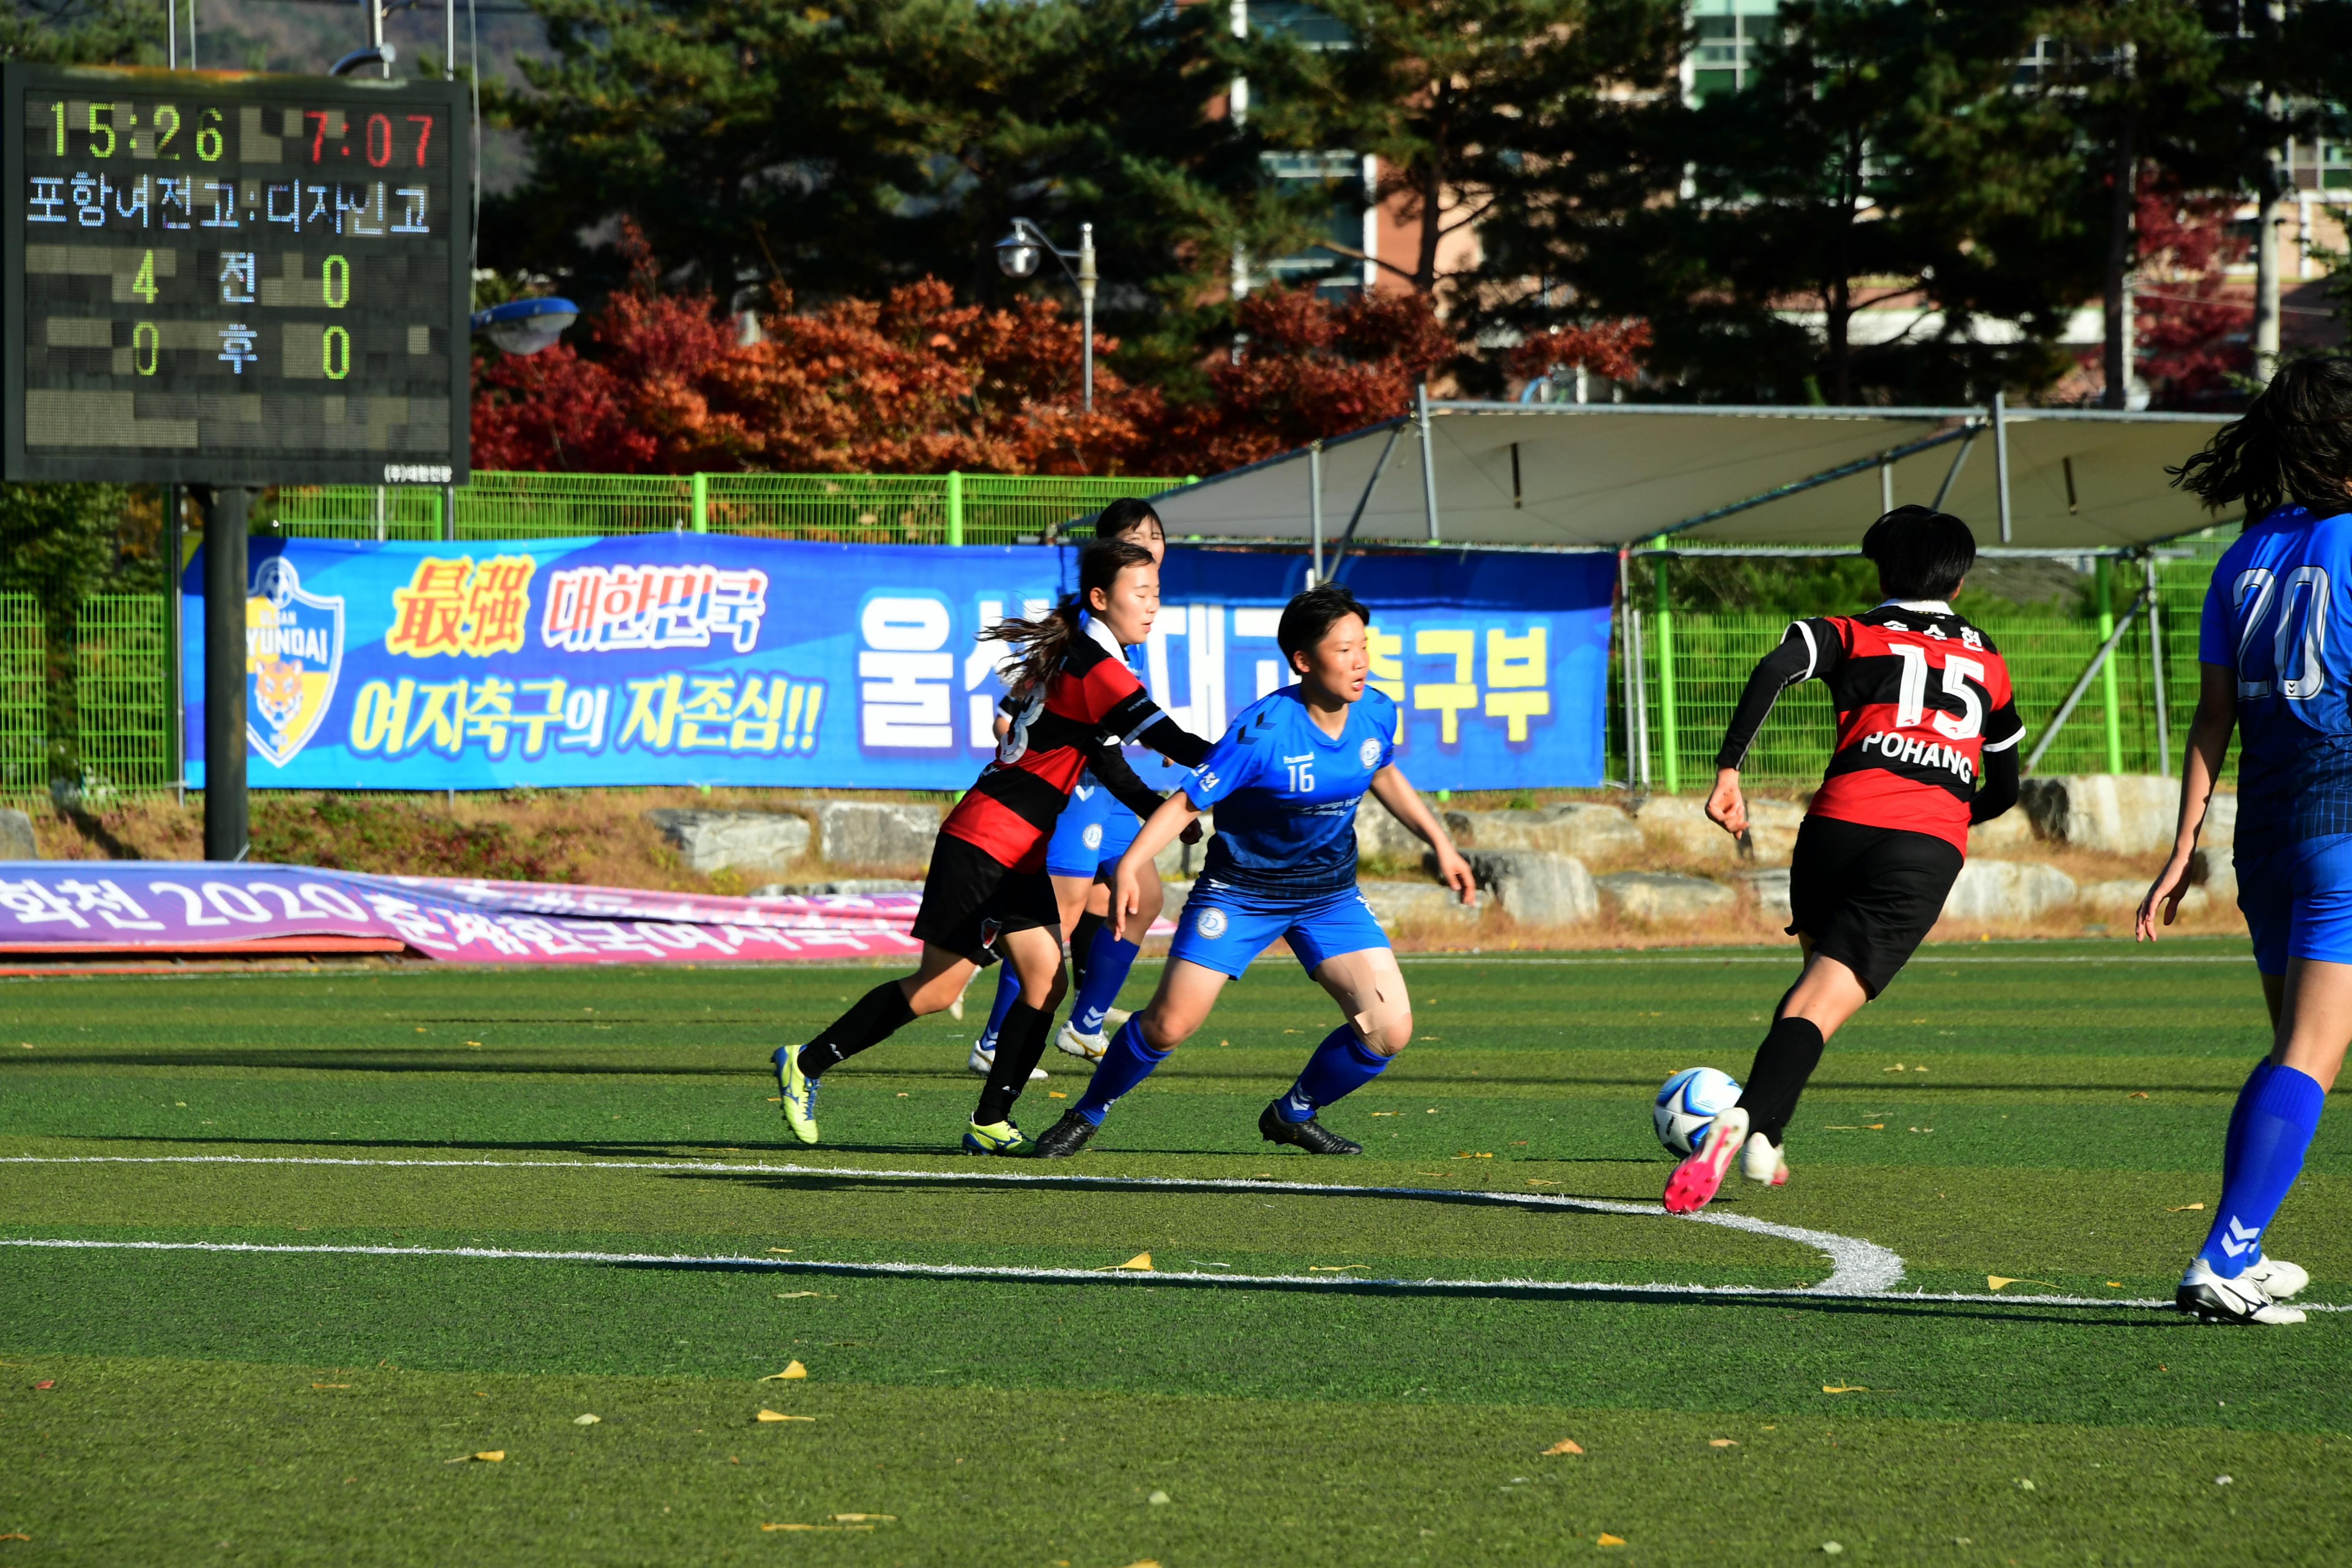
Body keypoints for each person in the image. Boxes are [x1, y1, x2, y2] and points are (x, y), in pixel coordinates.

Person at [775, 539, 1207, 1155]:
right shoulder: (1096, 669)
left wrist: (1158, 814)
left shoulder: (1074, 657)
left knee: (1044, 977)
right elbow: (1174, 739)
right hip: (987, 842)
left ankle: (990, 1120)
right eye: (1142, 594)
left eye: (1157, 593)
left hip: (1014, 846)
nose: (1153, 606)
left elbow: (1104, 760)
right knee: (938, 990)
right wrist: (1244, 764)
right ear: (1100, 598)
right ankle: (807, 1061)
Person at [1028, 583, 1475, 1160]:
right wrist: (1135, 863)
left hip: (1328, 896)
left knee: (1389, 1030)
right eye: (1344, 649)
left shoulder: (1377, 712)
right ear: (1303, 660)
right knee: (1168, 1025)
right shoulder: (1263, 731)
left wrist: (1440, 843)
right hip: (1240, 894)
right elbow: (1188, 803)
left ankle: (1294, 1113)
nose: (1360, 660)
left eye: (1363, 645)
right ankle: (1087, 1113)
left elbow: (1383, 772)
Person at [1666, 505, 2023, 1215]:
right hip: (1922, 844)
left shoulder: (1848, 632)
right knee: (1820, 1006)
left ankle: (1766, 1138)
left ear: (1882, 572)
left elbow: (1775, 668)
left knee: (1809, 992)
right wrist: (1949, 815)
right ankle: (1742, 1120)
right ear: (1958, 584)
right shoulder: (1988, 659)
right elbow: (2005, 789)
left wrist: (1730, 773)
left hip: (1836, 826)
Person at [2136, 357, 2352, 1326]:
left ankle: (2244, 1244)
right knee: (2310, 1048)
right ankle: (2222, 1254)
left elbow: (2211, 715)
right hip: (2344, 824)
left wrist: (2184, 845)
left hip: (2262, 836)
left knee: (2293, 1049)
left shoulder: (2245, 554)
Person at [968, 499, 1176, 1081]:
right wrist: (1031, 762)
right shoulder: (1082, 634)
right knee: (1053, 918)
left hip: (1107, 794)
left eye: (1157, 536)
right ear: (1105, 563)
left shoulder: (1136, 623)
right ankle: (993, 1042)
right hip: (1076, 792)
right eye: (1137, 538)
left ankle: (1083, 1025)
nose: (1151, 545)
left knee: (1143, 899)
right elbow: (1010, 713)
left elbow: (1123, 714)